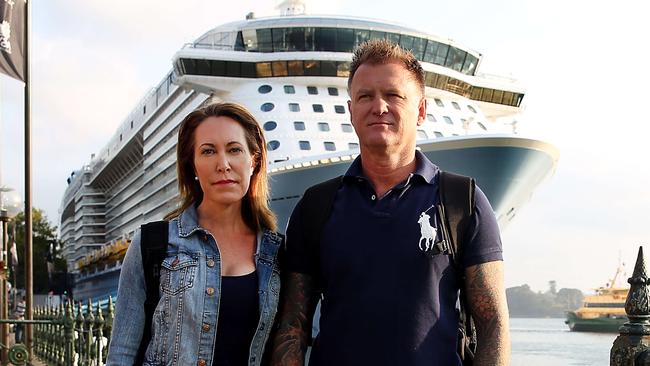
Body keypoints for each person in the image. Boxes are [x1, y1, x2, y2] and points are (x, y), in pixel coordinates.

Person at [271, 40, 510, 366]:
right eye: (365, 96)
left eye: (393, 95)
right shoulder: (316, 206)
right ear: (351, 110)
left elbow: (492, 322)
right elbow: (292, 325)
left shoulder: (462, 201)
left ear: (421, 111)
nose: (378, 106)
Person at [107, 102, 283, 366]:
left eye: (234, 150)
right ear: (193, 166)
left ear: (253, 161)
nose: (223, 164)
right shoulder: (153, 244)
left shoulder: (276, 252)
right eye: (209, 151)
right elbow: (121, 353)